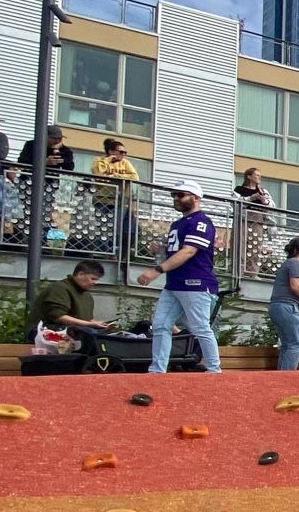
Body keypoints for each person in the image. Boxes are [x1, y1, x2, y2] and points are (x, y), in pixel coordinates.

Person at [135, 180, 221, 373]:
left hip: (195, 282)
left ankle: (215, 370)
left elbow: (189, 251)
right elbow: (179, 251)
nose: (176, 198)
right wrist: (162, 249)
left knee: (200, 327)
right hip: (175, 283)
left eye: (181, 194)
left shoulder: (201, 221)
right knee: (160, 325)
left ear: (196, 197)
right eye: (174, 194)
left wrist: (157, 270)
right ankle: (157, 370)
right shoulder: (179, 223)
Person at [23, 260, 113, 336]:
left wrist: (100, 324)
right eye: (93, 279)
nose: (95, 283)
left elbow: (85, 319)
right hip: (42, 330)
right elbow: (58, 317)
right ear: (81, 274)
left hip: (65, 328)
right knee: (88, 333)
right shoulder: (59, 288)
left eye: (97, 280)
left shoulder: (86, 295)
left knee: (105, 335)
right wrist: (90, 324)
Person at [269, 237, 299, 370]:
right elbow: (295, 286)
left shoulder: (289, 263)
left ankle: (282, 376)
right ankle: (287, 378)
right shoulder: (296, 263)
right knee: (296, 344)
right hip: (288, 306)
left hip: (278, 306)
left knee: (287, 345)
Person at [88, 138, 140, 253]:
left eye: (125, 152)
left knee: (115, 227)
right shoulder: (99, 160)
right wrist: (107, 161)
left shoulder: (125, 163)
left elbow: (135, 177)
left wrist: (115, 176)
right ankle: (102, 252)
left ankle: (112, 251)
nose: (124, 155)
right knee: (102, 227)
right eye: (121, 152)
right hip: (102, 200)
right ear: (111, 151)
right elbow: (97, 173)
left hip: (119, 201)